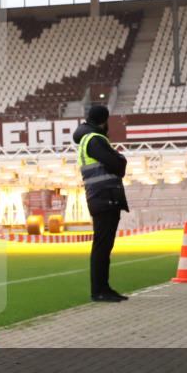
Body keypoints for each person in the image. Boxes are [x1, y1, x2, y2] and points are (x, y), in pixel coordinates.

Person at [73, 105, 129, 303]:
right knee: (102, 247)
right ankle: (99, 290)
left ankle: (103, 288)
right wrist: (120, 157)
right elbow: (118, 165)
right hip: (104, 196)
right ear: (104, 121)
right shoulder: (95, 139)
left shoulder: (86, 139)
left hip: (99, 196)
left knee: (103, 246)